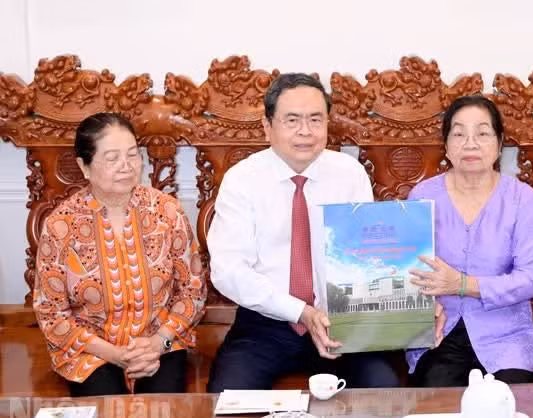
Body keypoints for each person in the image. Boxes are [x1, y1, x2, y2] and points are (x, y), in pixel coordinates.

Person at [206, 73, 421, 391]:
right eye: (292, 120)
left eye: (315, 119)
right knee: (228, 398)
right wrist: (300, 312)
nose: (305, 131)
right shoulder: (242, 180)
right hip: (266, 323)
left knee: (383, 388)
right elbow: (229, 271)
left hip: (341, 320)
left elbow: (366, 260)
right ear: (267, 126)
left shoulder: (349, 174)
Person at [32, 112, 207, 396]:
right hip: (91, 350)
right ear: (84, 166)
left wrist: (158, 342)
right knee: (109, 412)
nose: (126, 166)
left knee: (162, 412)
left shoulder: (167, 211)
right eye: (112, 158)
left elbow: (192, 291)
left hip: (160, 342)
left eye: (132, 154)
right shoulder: (61, 225)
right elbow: (51, 313)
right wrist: (114, 354)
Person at [405, 95, 533, 387]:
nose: (470, 144)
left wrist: (463, 284)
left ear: (500, 143)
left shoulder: (521, 198)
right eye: (459, 134)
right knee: (436, 405)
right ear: (446, 145)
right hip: (440, 330)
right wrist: (423, 306)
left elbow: (531, 279)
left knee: (508, 404)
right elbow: (407, 270)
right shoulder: (423, 196)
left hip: (506, 334)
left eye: (482, 133)